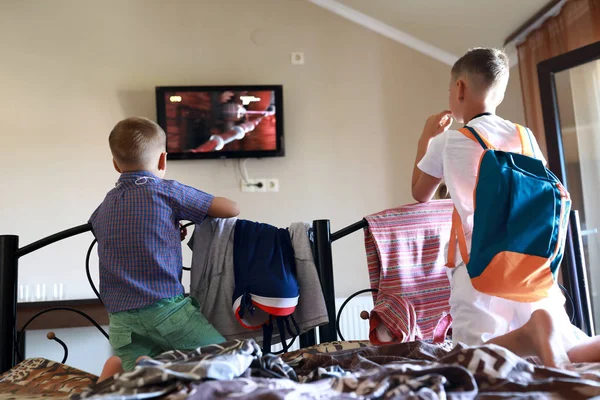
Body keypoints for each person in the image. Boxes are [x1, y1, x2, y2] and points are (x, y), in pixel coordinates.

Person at [411, 47, 600, 368]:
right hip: (530, 260)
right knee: (565, 348)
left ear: (459, 88)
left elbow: (420, 193)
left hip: (477, 263)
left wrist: (426, 137)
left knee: (466, 360)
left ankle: (531, 334)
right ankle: (540, 332)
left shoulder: (449, 141)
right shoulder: (525, 137)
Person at [90, 117, 240, 371]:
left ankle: (117, 372)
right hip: (166, 312)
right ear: (162, 160)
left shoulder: (104, 207)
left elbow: (118, 238)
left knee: (138, 382)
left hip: (121, 322)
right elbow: (230, 209)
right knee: (227, 360)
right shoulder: (165, 191)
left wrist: (166, 233)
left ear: (116, 164)